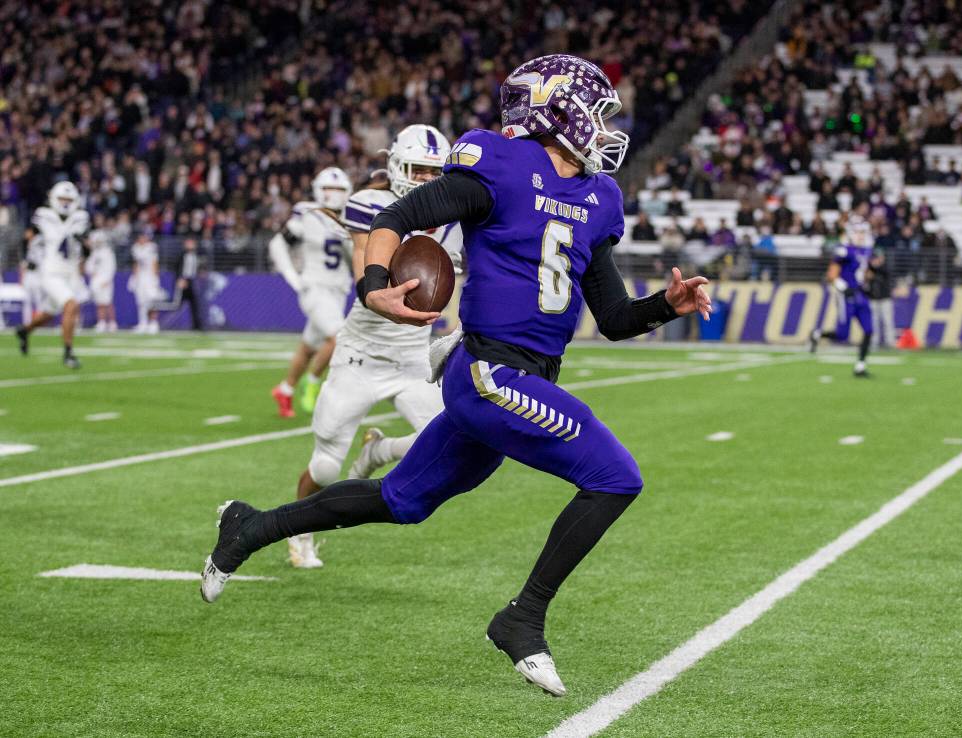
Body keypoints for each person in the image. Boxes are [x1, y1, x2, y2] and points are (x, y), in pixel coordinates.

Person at [200, 55, 711, 697]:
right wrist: (376, 285)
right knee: (615, 477)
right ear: (557, 109)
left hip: (523, 380)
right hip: (490, 372)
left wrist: (668, 304)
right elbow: (396, 218)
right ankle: (522, 619)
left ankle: (250, 526)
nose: (606, 128)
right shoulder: (498, 163)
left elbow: (611, 317)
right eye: (597, 111)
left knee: (401, 501)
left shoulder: (600, 197)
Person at [285, 125, 463, 569]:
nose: (424, 179)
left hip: (412, 358)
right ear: (397, 167)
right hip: (360, 355)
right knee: (326, 467)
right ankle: (300, 531)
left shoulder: (457, 219)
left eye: (432, 171)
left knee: (452, 438)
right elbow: (365, 268)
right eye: (417, 170)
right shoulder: (370, 204)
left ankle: (378, 452)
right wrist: (374, 290)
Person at [268, 167, 353, 417]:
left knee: (309, 347)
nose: (334, 194)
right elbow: (277, 244)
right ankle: (313, 381)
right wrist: (294, 278)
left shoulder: (351, 216)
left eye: (339, 189)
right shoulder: (307, 213)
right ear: (318, 189)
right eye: (329, 188)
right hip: (315, 288)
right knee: (338, 337)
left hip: (337, 291)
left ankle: (285, 389)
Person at [14, 181, 89, 368]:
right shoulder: (43, 215)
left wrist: (85, 248)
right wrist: (25, 260)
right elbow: (27, 238)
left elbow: (86, 248)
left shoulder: (81, 217)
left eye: (68, 199)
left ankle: (24, 330)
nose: (65, 202)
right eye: (62, 198)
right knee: (71, 306)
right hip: (51, 271)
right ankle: (68, 353)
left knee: (49, 313)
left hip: (70, 272)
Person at [809, 217, 874, 376]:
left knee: (869, 329)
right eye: (858, 232)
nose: (861, 235)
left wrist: (869, 281)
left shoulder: (866, 250)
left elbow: (863, 272)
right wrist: (843, 287)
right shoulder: (844, 250)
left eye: (863, 232)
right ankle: (817, 334)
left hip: (860, 294)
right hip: (846, 296)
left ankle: (860, 365)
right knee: (842, 335)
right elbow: (831, 275)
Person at [128, 230, 165, 333]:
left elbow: (154, 263)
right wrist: (134, 277)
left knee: (152, 301)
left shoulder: (151, 247)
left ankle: (153, 323)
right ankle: (143, 323)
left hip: (150, 277)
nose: (142, 239)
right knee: (141, 301)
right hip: (140, 278)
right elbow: (136, 263)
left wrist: (155, 278)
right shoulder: (135, 248)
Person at [85, 230, 117, 332]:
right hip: (96, 280)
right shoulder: (94, 252)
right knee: (99, 303)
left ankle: (112, 323)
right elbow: (89, 266)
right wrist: (92, 273)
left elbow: (112, 267)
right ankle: (101, 322)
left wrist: (107, 280)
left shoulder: (108, 252)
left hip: (105, 280)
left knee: (108, 302)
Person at [174, 237, 203, 330]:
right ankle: (170, 324)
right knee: (177, 304)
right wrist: (179, 279)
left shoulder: (198, 254)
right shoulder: (181, 255)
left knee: (195, 305)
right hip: (183, 280)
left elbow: (200, 268)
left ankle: (197, 326)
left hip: (193, 281)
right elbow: (176, 268)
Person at [866, 251, 893, 348]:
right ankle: (874, 341)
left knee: (887, 321)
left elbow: (884, 275)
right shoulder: (869, 268)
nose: (875, 261)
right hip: (873, 298)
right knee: (873, 322)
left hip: (885, 298)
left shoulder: (885, 268)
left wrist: (874, 271)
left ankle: (890, 342)